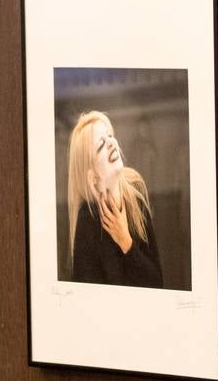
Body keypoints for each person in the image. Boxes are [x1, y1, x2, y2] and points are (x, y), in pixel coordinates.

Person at [66, 110, 163, 288]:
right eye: (101, 145)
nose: (111, 143)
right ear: (93, 177)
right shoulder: (86, 222)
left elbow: (156, 282)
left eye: (110, 136)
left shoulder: (136, 193)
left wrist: (125, 241)